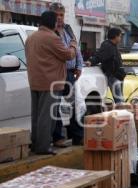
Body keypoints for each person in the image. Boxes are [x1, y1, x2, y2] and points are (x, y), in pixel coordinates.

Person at [25, 11, 77, 155]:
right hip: (50, 82)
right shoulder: (52, 38)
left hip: (35, 81)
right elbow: (68, 55)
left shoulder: (31, 38)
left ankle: (35, 144)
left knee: (36, 116)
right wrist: (73, 43)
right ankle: (43, 147)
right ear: (52, 23)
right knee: (47, 116)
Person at [49, 2, 85, 146]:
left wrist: (79, 65)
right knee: (55, 106)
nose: (59, 18)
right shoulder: (49, 32)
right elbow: (65, 52)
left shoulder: (68, 29)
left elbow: (76, 49)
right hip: (57, 72)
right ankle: (57, 137)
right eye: (56, 15)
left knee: (73, 105)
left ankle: (77, 136)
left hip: (70, 73)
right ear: (51, 15)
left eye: (61, 15)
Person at [86, 28, 126, 104]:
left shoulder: (113, 46)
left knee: (120, 100)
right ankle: (122, 113)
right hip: (113, 76)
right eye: (120, 36)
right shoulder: (107, 46)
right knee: (120, 101)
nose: (120, 38)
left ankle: (122, 113)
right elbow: (99, 56)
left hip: (118, 76)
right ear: (115, 36)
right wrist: (91, 61)